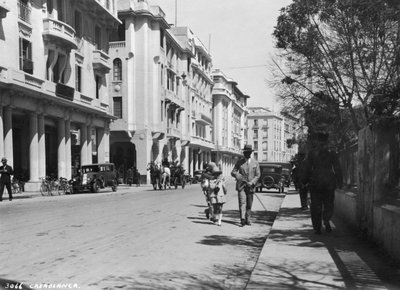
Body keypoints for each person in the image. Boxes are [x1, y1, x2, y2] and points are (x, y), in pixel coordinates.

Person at [302, 132, 343, 234]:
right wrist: (340, 181)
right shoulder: (332, 153)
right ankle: (326, 220)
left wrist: (304, 181)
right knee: (329, 204)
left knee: (316, 205)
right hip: (329, 183)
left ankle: (317, 227)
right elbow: (337, 168)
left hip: (315, 182)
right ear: (327, 140)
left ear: (317, 140)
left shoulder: (312, 153)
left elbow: (307, 168)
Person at [231, 145, 260, 226]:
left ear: (250, 153)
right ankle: (242, 219)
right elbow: (233, 172)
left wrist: (252, 182)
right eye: (245, 152)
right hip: (241, 186)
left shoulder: (255, 163)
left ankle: (248, 219)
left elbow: (258, 175)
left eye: (248, 152)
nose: (246, 153)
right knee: (242, 202)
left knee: (249, 204)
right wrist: (238, 176)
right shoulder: (239, 162)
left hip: (250, 187)